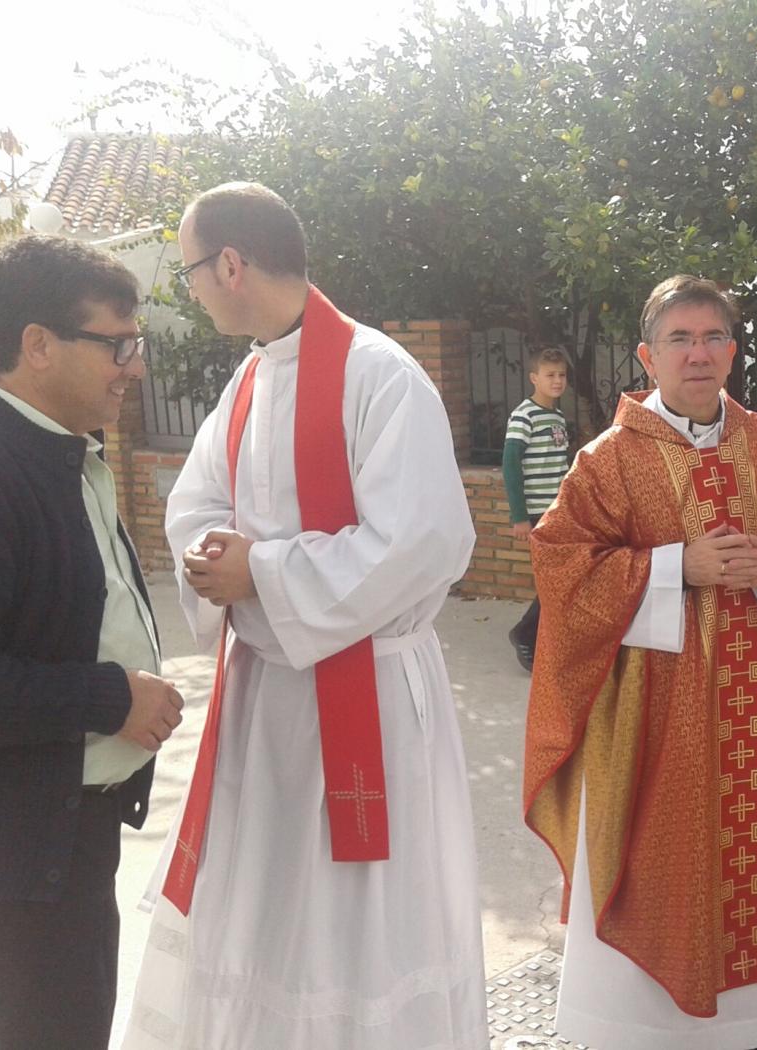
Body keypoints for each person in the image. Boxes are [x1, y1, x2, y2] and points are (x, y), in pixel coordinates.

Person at [122, 183, 488, 1049]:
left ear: (233, 265)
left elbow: (425, 540)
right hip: (266, 697)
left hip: (371, 700)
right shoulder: (248, 379)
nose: (193, 290)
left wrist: (267, 572)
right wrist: (218, 559)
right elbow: (196, 501)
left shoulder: (379, 374)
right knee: (272, 894)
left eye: (192, 273)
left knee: (362, 912)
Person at [523, 275, 757, 1050]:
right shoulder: (608, 459)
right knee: (660, 856)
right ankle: (644, 1028)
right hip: (653, 711)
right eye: (680, 339)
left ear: (733, 353)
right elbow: (563, 568)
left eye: (712, 338)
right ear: (647, 355)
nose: (698, 353)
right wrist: (676, 568)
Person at [0, 234, 184, 1050]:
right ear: (37, 345)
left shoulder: (59, 453)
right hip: (15, 862)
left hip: (59, 841)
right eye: (116, 344)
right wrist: (112, 697)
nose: (133, 365)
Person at [503, 346, 571, 670]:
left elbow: (560, 466)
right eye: (550, 375)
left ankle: (540, 636)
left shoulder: (557, 417)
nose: (557, 381)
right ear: (534, 378)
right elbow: (511, 466)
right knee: (554, 579)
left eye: (561, 375)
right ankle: (525, 635)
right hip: (535, 514)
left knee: (561, 577)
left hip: (558, 511)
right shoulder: (523, 416)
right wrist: (519, 517)